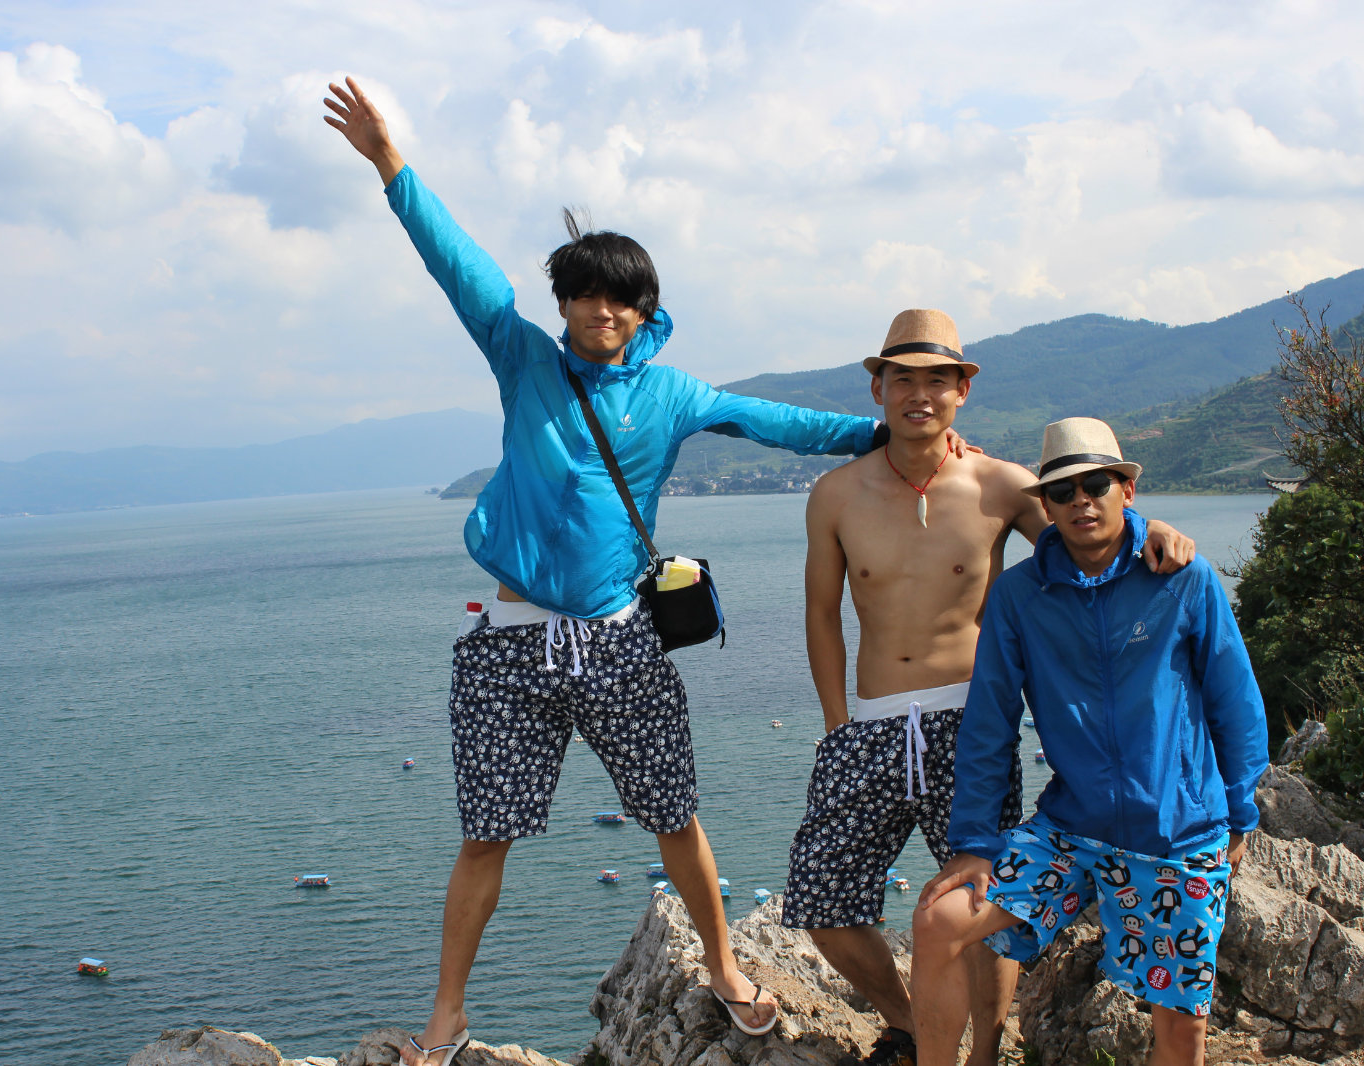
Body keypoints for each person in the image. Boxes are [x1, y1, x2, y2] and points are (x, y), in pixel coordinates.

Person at [321, 78, 965, 1066]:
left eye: (619, 296)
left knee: (673, 815)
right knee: (484, 835)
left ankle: (725, 968)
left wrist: (901, 432)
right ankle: (447, 1015)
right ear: (563, 303)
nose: (600, 310)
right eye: (583, 294)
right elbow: (462, 267)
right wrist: (389, 163)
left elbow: (780, 424)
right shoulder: (524, 360)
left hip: (620, 638)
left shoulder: (670, 394)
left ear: (643, 308)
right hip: (510, 642)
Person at [780, 313, 1195, 1066]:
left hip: (971, 723)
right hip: (869, 722)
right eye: (903, 378)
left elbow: (1086, 536)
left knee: (983, 904)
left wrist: (1151, 526)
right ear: (877, 388)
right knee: (820, 898)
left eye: (937, 379)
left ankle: (986, 1052)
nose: (920, 394)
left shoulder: (1000, 484)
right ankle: (908, 1023)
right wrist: (838, 722)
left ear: (963, 390)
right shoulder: (834, 494)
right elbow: (820, 613)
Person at [909, 417, 1269, 1066]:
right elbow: (989, 722)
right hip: (1072, 831)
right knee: (938, 919)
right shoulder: (1020, 596)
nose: (1081, 501)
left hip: (1178, 835)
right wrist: (973, 843)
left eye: (1096, 484)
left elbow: (1235, 701)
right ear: (1045, 507)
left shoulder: (1183, 577)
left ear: (1126, 490)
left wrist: (1240, 814)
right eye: (1063, 491)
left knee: (1180, 1032)